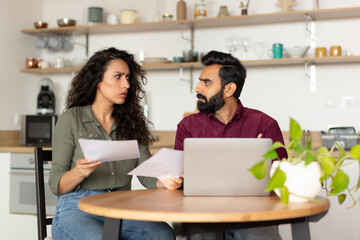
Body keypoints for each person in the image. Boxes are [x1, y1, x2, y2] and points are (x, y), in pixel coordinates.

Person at [49, 47, 182, 240]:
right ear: (97, 81)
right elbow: (56, 185)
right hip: (77, 208)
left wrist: (166, 181)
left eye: (128, 78)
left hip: (120, 207)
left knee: (162, 234)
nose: (126, 84)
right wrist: (79, 172)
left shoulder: (132, 123)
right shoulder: (72, 118)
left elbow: (146, 173)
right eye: (118, 77)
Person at [174, 50, 287, 240]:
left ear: (229, 89)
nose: (197, 88)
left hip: (253, 215)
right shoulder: (188, 126)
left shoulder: (265, 124)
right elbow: (178, 180)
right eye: (200, 81)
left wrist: (261, 161)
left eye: (206, 82)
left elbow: (282, 179)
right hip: (202, 214)